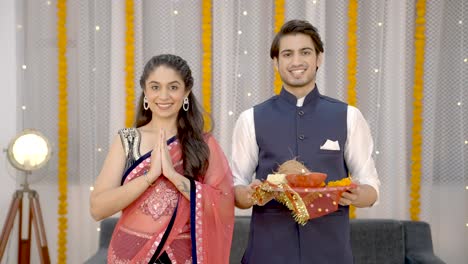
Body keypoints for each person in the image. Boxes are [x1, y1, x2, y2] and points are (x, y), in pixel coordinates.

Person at [232, 20, 381, 263]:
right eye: (287, 54)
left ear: (319, 58)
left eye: (305, 52)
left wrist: (358, 194)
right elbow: (236, 185)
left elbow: (371, 187)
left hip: (330, 254)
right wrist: (247, 194)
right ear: (276, 62)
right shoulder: (250, 119)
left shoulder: (349, 116)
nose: (296, 61)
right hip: (268, 254)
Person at [90, 54, 234, 264]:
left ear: (186, 92)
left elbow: (223, 205)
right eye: (155, 87)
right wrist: (149, 177)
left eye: (173, 87)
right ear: (145, 92)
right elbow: (97, 209)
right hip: (130, 255)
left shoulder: (203, 145)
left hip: (184, 256)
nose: (164, 95)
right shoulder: (128, 140)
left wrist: (174, 177)